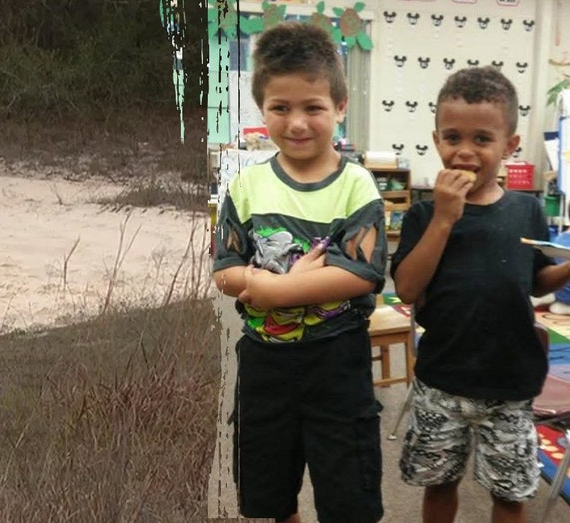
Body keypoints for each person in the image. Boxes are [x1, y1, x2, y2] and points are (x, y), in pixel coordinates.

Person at [212, 21, 387, 523]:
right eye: (280, 108)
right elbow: (224, 270)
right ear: (261, 108)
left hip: (338, 365)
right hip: (265, 367)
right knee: (268, 494)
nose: (297, 123)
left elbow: (360, 273)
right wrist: (251, 284)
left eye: (313, 107)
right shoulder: (246, 187)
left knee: (349, 498)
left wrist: (274, 289)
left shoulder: (357, 186)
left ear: (340, 106)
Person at [391, 65, 570, 523]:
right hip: (442, 379)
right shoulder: (424, 215)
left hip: (510, 384)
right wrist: (445, 219)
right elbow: (408, 288)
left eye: (482, 140)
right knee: (439, 483)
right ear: (436, 140)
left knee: (510, 496)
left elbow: (535, 281)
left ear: (509, 146)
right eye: (452, 138)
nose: (465, 152)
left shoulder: (527, 210)